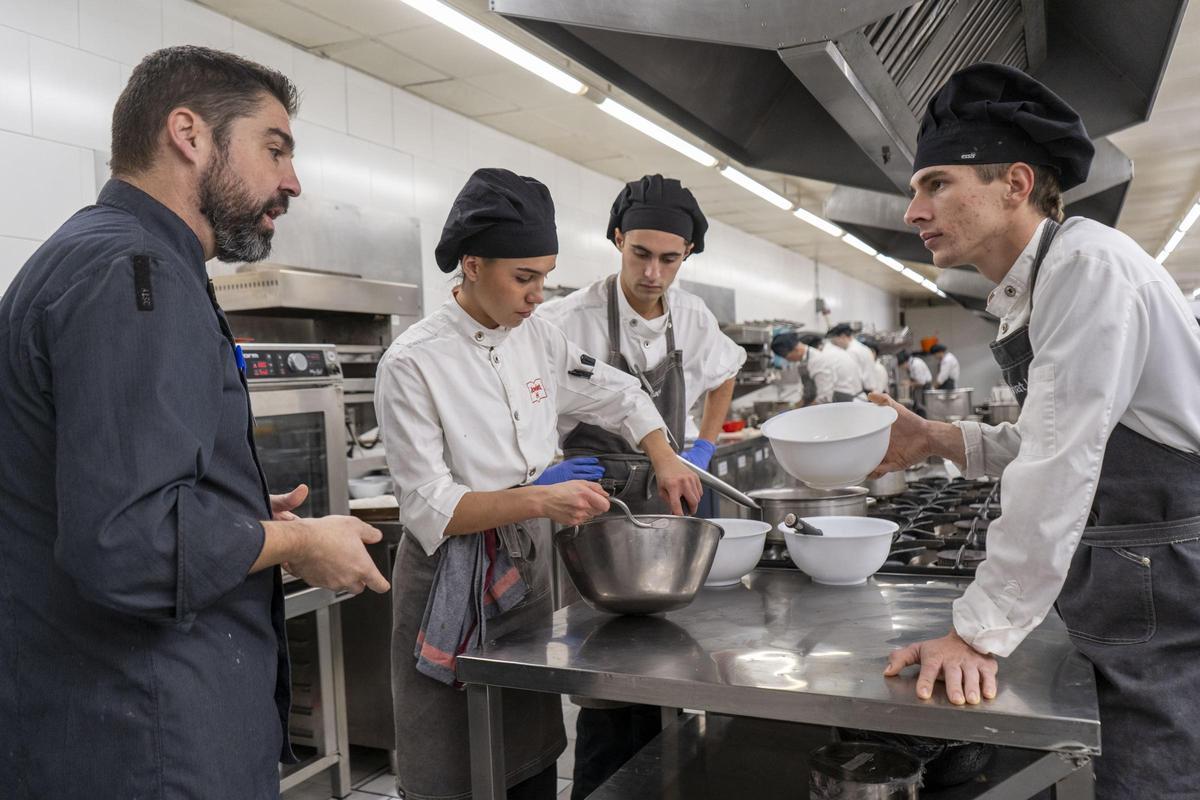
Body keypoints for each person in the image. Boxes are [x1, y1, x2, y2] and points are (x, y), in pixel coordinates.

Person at [0, 47, 390, 799]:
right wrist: (297, 541)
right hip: (147, 737)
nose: (292, 182)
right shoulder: (135, 273)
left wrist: (237, 513)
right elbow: (126, 542)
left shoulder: (95, 256)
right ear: (189, 133)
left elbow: (99, 490)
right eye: (274, 148)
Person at [871, 63, 1200, 799]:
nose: (912, 211)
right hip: (1126, 551)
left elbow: (1061, 460)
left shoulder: (1087, 267)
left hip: (1155, 557)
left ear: (1015, 184)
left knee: (1155, 774)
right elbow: (1060, 437)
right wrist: (935, 438)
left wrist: (977, 631)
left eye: (936, 184)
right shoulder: (1038, 282)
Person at [375, 168, 702, 800]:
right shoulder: (412, 362)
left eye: (544, 278)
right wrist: (541, 497)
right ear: (471, 264)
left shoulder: (537, 336)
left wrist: (664, 454)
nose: (536, 295)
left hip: (523, 571)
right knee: (454, 768)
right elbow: (428, 507)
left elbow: (619, 393)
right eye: (524, 278)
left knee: (527, 757)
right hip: (450, 578)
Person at [537, 174, 744, 798]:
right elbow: (529, 401)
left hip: (672, 492)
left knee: (673, 660)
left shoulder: (693, 315)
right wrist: (545, 467)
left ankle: (667, 777)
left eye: (669, 259)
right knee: (607, 678)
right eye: (641, 255)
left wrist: (702, 444)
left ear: (686, 257)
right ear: (618, 241)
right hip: (594, 504)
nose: (653, 274)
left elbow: (725, 373)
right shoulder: (563, 319)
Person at [827, 323, 880, 392]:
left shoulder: (851, 352)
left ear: (843, 337)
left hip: (863, 391)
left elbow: (852, 378)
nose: (836, 344)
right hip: (870, 389)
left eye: (835, 341)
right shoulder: (862, 347)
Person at [896, 351, 932, 415]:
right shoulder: (911, 364)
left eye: (902, 366)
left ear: (905, 362)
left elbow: (921, 382)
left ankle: (923, 422)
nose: (903, 368)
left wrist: (909, 383)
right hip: (919, 388)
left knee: (921, 407)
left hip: (924, 388)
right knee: (917, 407)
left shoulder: (916, 364)